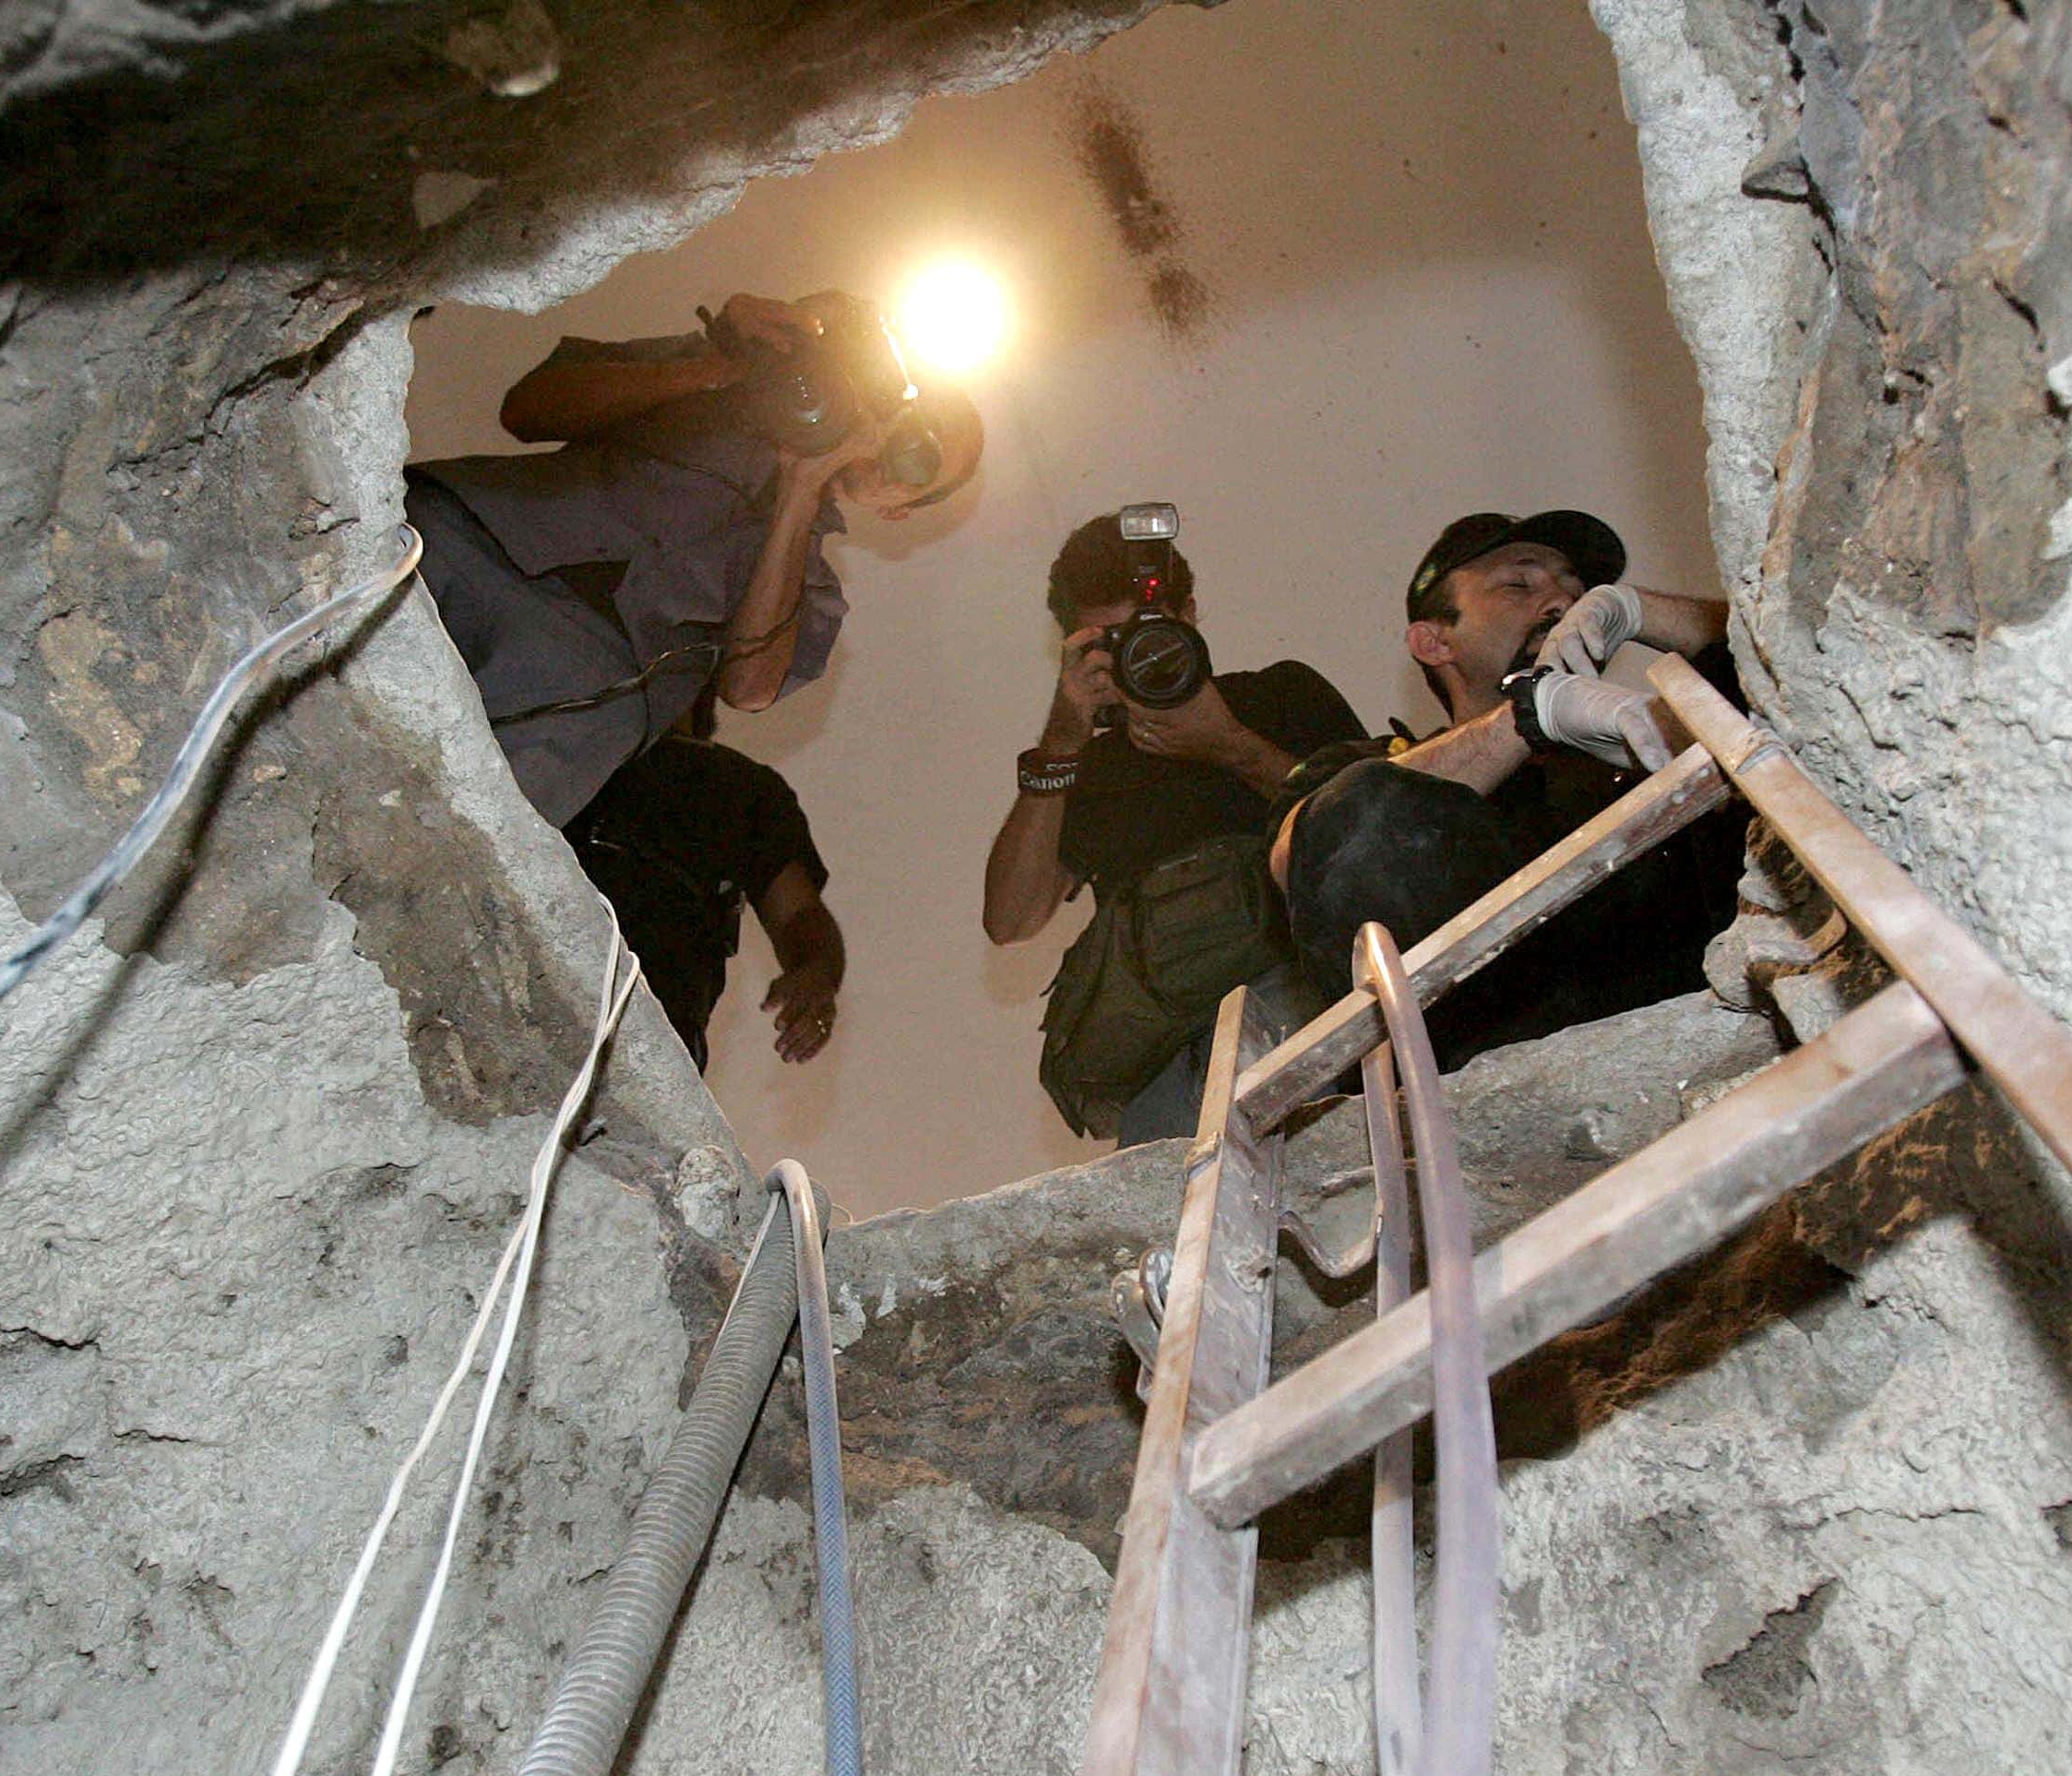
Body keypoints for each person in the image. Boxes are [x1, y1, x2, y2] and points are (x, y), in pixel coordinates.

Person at [404, 291, 985, 828]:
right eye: (909, 416)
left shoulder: (809, 590)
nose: (894, 447)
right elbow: (527, 409)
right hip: (464, 540)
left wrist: (800, 491)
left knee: (443, 826)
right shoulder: (731, 378)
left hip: (558, 691)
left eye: (921, 459)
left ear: (899, 512)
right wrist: (725, 366)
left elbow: (750, 688)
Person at [1270, 508, 1740, 1065]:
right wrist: (1528, 716)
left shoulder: (1638, 749)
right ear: (1434, 642)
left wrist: (1639, 608)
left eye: (1578, 587)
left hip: (1693, 1054)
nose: (1562, 600)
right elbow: (1309, 853)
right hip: (1481, 1093)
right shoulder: (1375, 766)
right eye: (1518, 583)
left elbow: (1784, 671)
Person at [983, 510, 1368, 1143]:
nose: (1135, 655)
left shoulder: (1280, 695)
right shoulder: (1093, 766)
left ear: (1187, 616)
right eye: (1105, 641)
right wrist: (1060, 742)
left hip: (1311, 1021)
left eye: (1145, 631)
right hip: (1169, 1071)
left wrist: (1228, 745)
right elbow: (1010, 918)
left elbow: (1373, 828)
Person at [572, 691, 843, 1071]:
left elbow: (798, 914)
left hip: (658, 1042)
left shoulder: (746, 790)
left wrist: (817, 973)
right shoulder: (553, 746)